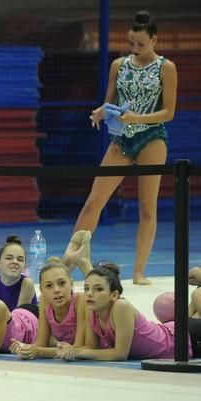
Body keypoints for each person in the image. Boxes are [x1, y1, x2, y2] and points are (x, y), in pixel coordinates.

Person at [70, 10, 177, 285]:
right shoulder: (119, 65)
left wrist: (137, 118)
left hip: (152, 138)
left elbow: (168, 112)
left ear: (154, 40)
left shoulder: (166, 67)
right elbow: (110, 102)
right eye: (132, 44)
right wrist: (101, 112)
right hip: (121, 138)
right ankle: (68, 263)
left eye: (141, 44)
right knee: (94, 201)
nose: (135, 49)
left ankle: (139, 270)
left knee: (146, 208)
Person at [57, 263, 182, 361]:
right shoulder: (92, 309)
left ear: (114, 295)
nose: (89, 294)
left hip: (181, 339)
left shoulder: (121, 307)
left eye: (98, 289)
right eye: (86, 288)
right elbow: (91, 348)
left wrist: (77, 352)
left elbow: (120, 354)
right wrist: (69, 349)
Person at [11, 255, 92, 360]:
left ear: (71, 284)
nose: (56, 290)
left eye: (62, 283)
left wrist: (38, 351)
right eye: (49, 286)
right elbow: (41, 344)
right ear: (41, 290)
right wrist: (25, 349)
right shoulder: (45, 302)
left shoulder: (80, 302)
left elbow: (77, 348)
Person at [0, 235, 37, 311]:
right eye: (9, 258)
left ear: (24, 267)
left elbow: (19, 319)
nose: (15, 262)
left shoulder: (26, 284)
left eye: (20, 259)